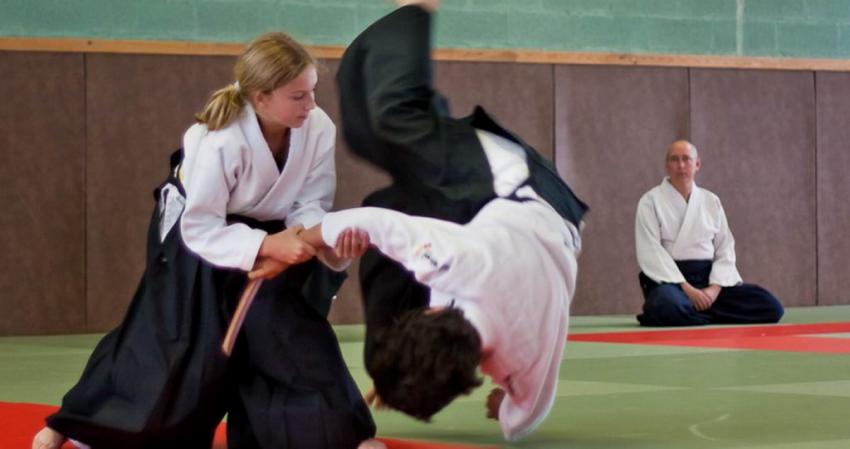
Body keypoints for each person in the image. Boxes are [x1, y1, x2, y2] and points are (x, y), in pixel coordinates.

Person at [34, 32, 377, 449]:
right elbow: (200, 226)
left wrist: (313, 240)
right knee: (178, 339)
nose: (311, 105)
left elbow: (310, 201)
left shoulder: (317, 126)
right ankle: (76, 424)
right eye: (298, 96)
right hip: (196, 229)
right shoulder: (220, 138)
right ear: (261, 98)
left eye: (313, 92)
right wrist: (267, 246)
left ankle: (337, 436)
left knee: (285, 327)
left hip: (274, 229)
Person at [327, 0, 588, 440]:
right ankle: (418, 9)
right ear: (431, 314)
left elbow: (527, 415)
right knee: (394, 122)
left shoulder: (524, 364)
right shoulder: (463, 266)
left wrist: (505, 407)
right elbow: (379, 224)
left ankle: (363, 61)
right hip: (516, 190)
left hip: (541, 233)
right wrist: (310, 237)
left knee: (368, 149)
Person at [635, 140, 784, 326]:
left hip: (708, 278)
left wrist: (713, 290)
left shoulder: (711, 201)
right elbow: (651, 252)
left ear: (697, 164)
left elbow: (725, 248)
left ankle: (695, 313)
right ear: (667, 165)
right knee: (666, 303)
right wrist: (688, 290)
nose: (681, 165)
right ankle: (700, 311)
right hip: (670, 282)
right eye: (674, 159)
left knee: (770, 306)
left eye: (686, 159)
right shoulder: (650, 201)